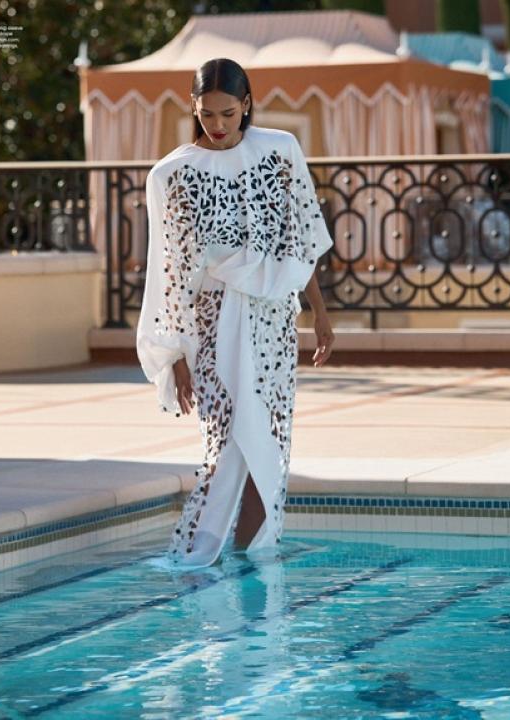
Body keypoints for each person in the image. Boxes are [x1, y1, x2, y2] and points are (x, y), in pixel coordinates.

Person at [136, 57, 335, 569]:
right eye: (207, 114)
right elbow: (170, 274)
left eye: (228, 113)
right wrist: (176, 354)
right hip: (210, 321)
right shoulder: (171, 174)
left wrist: (319, 312)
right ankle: (197, 556)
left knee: (267, 439)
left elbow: (299, 242)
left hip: (272, 321)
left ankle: (254, 560)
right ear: (194, 108)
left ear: (246, 104)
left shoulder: (280, 151)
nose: (218, 124)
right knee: (223, 441)